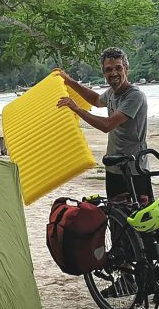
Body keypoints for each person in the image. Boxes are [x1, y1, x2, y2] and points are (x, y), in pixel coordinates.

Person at [55, 47, 152, 203]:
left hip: (135, 170)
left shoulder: (135, 96)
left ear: (126, 69)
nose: (113, 73)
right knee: (116, 218)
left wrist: (76, 108)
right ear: (104, 73)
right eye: (108, 70)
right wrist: (68, 81)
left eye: (118, 68)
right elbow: (95, 100)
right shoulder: (112, 93)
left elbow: (107, 125)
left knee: (141, 222)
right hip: (114, 167)